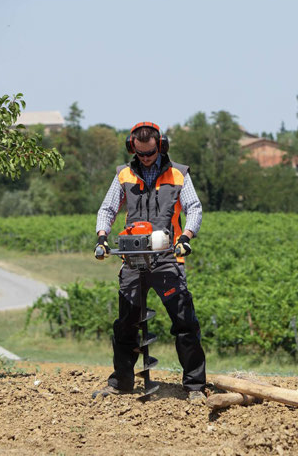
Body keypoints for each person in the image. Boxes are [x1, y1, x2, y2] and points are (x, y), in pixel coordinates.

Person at [94, 122, 206, 402]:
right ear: (133, 147)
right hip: (132, 258)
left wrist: (187, 236)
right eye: (140, 153)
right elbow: (108, 208)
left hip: (168, 257)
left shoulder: (178, 174)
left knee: (184, 321)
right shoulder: (124, 175)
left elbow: (194, 207)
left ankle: (194, 386)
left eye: (150, 153)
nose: (145, 158)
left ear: (161, 146)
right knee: (127, 322)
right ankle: (121, 382)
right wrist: (102, 236)